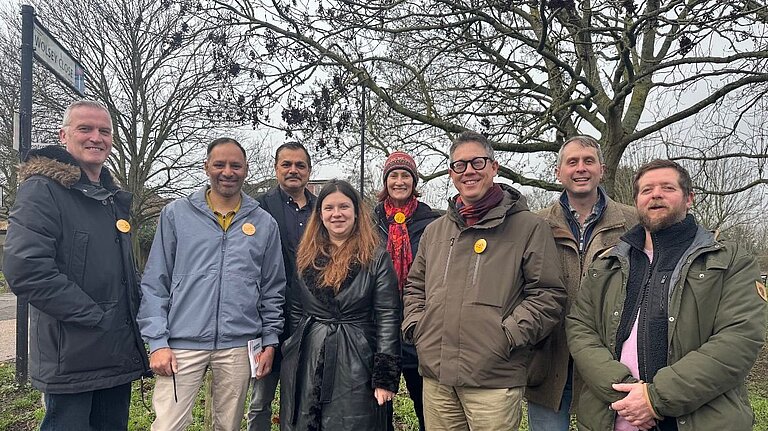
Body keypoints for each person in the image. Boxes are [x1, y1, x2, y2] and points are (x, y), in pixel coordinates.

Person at [566, 159, 767, 431]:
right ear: (636, 201)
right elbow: (580, 328)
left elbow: (739, 339)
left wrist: (655, 399)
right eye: (647, 190)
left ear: (689, 198)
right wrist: (623, 390)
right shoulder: (607, 264)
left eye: (667, 188)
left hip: (699, 421)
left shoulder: (731, 261)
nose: (656, 195)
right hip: (613, 418)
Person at [402, 131, 567, 431]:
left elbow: (547, 295)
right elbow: (415, 287)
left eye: (477, 162)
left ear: (494, 167)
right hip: (438, 379)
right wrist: (418, 328)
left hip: (495, 380)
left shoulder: (529, 227)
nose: (469, 171)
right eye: (460, 165)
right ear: (451, 173)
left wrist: (507, 337)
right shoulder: (435, 231)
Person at [2, 100, 149, 430]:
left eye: (104, 131)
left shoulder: (109, 199)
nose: (96, 137)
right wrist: (94, 316)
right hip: (72, 357)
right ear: (64, 135)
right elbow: (26, 268)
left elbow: (120, 273)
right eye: (85, 128)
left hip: (114, 354)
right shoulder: (43, 190)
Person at [137, 137, 286, 431]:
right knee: (168, 426)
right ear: (206, 166)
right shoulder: (176, 214)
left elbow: (272, 289)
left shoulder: (264, 223)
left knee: (227, 427)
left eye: (235, 165)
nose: (227, 172)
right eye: (219, 164)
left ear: (246, 169)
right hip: (180, 343)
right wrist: (157, 342)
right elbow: (155, 282)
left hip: (238, 345)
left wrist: (269, 340)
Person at [526, 136, 637, 430]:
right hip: (549, 359)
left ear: (602, 169)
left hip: (610, 360)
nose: (580, 168)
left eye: (588, 161)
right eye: (572, 162)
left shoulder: (634, 223)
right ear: (558, 172)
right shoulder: (534, 225)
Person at [279, 179, 401, 431]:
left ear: (356, 212)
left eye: (344, 206)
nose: (337, 214)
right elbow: (296, 308)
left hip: (358, 360)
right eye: (329, 207)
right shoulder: (305, 255)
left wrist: (384, 376)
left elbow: (388, 316)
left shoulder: (376, 257)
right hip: (309, 356)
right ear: (320, 214)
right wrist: (293, 349)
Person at [248, 142, 317, 430]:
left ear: (309, 170)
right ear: (276, 168)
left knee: (302, 397)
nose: (293, 170)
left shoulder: (322, 209)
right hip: (268, 316)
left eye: (300, 165)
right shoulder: (258, 208)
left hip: (310, 318)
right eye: (286, 164)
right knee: (260, 399)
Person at [374, 151, 439, 431]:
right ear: (386, 181)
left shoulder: (431, 222)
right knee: (378, 407)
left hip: (417, 325)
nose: (399, 181)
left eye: (405, 176)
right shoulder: (372, 221)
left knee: (425, 405)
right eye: (394, 175)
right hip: (380, 326)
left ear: (414, 181)